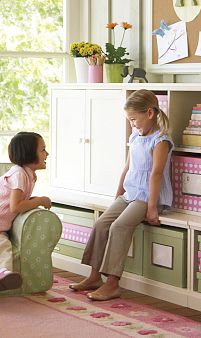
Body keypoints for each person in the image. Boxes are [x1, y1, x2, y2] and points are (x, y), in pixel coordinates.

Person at [69, 89, 173, 301]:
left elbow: (156, 174)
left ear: (150, 113)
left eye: (134, 119)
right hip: (131, 192)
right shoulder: (135, 135)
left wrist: (152, 207)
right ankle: (94, 276)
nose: (132, 124)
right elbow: (127, 167)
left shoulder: (161, 140)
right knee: (101, 223)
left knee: (119, 226)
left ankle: (113, 283)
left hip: (148, 197)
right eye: (129, 120)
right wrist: (118, 195)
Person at [0, 132, 51, 291]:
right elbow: (16, 206)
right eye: (43, 150)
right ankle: (4, 275)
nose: (47, 154)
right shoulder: (19, 174)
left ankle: (4, 276)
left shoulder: (28, 175)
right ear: (29, 154)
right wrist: (40, 200)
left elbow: (18, 202)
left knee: (4, 246)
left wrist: (34, 200)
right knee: (3, 248)